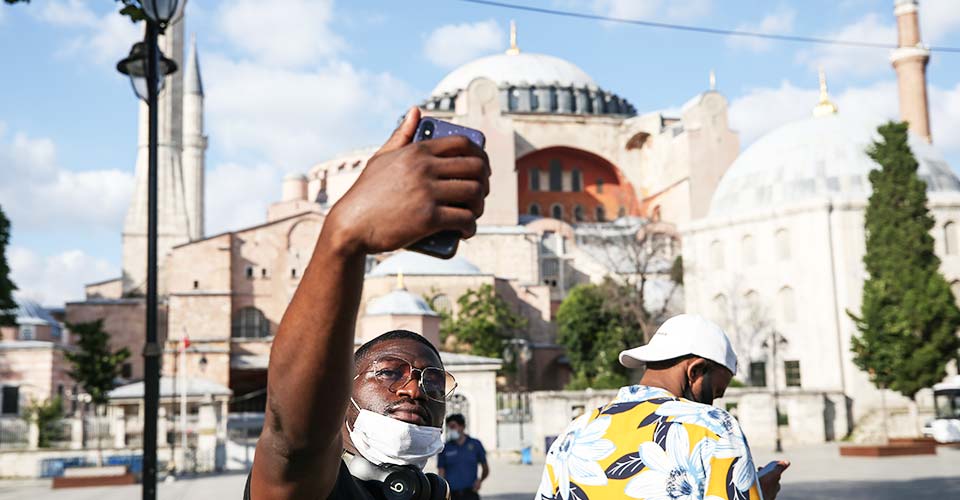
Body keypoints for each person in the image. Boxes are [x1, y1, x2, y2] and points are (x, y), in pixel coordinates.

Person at [245, 106, 490, 500]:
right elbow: (293, 437)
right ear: (341, 397)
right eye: (389, 372)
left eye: (432, 381)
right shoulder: (309, 486)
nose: (414, 390)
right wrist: (345, 236)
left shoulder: (434, 494)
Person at [536, 314, 790, 500]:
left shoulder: (575, 432)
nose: (712, 403)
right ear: (695, 370)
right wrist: (758, 493)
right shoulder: (714, 427)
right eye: (715, 392)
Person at [438, 413, 490, 499]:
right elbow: (441, 472)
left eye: (453, 426)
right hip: (452, 495)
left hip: (470, 493)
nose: (451, 430)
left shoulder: (475, 444)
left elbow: (485, 468)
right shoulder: (445, 448)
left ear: (462, 427)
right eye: (449, 427)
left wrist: (480, 481)